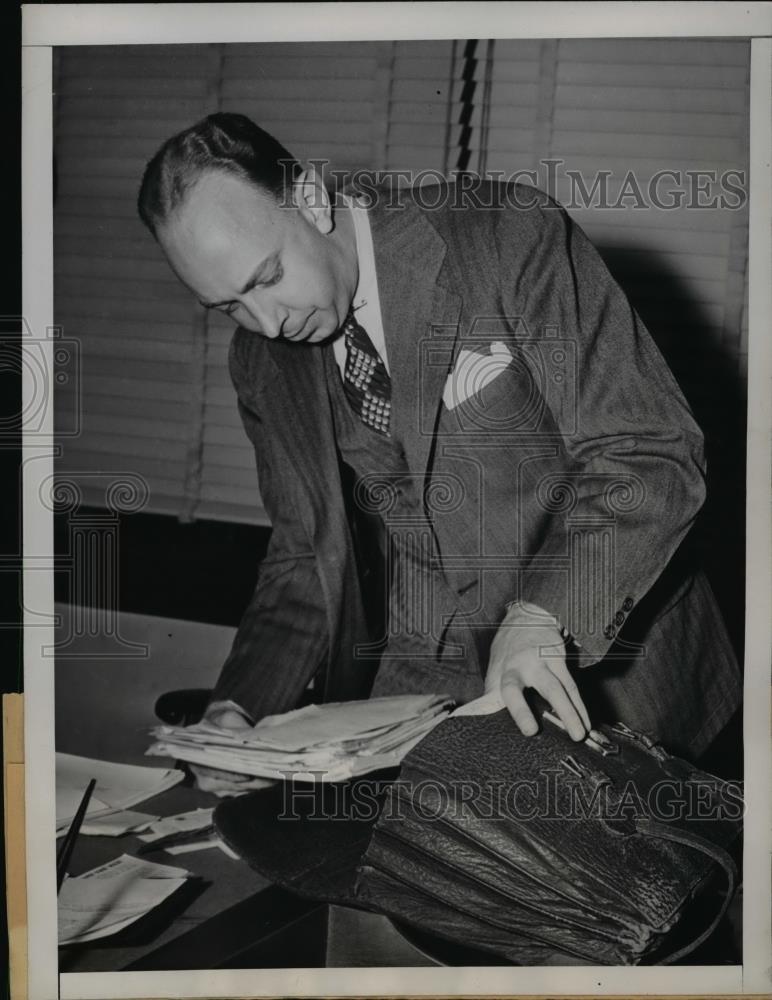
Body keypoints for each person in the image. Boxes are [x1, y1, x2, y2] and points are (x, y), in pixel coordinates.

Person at [137, 112, 741, 765]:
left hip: (615, 668)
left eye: (265, 279)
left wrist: (541, 615)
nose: (266, 323)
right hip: (426, 675)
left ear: (311, 199)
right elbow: (305, 553)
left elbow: (648, 453)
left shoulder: (505, 236)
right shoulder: (260, 365)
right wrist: (240, 708)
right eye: (227, 306)